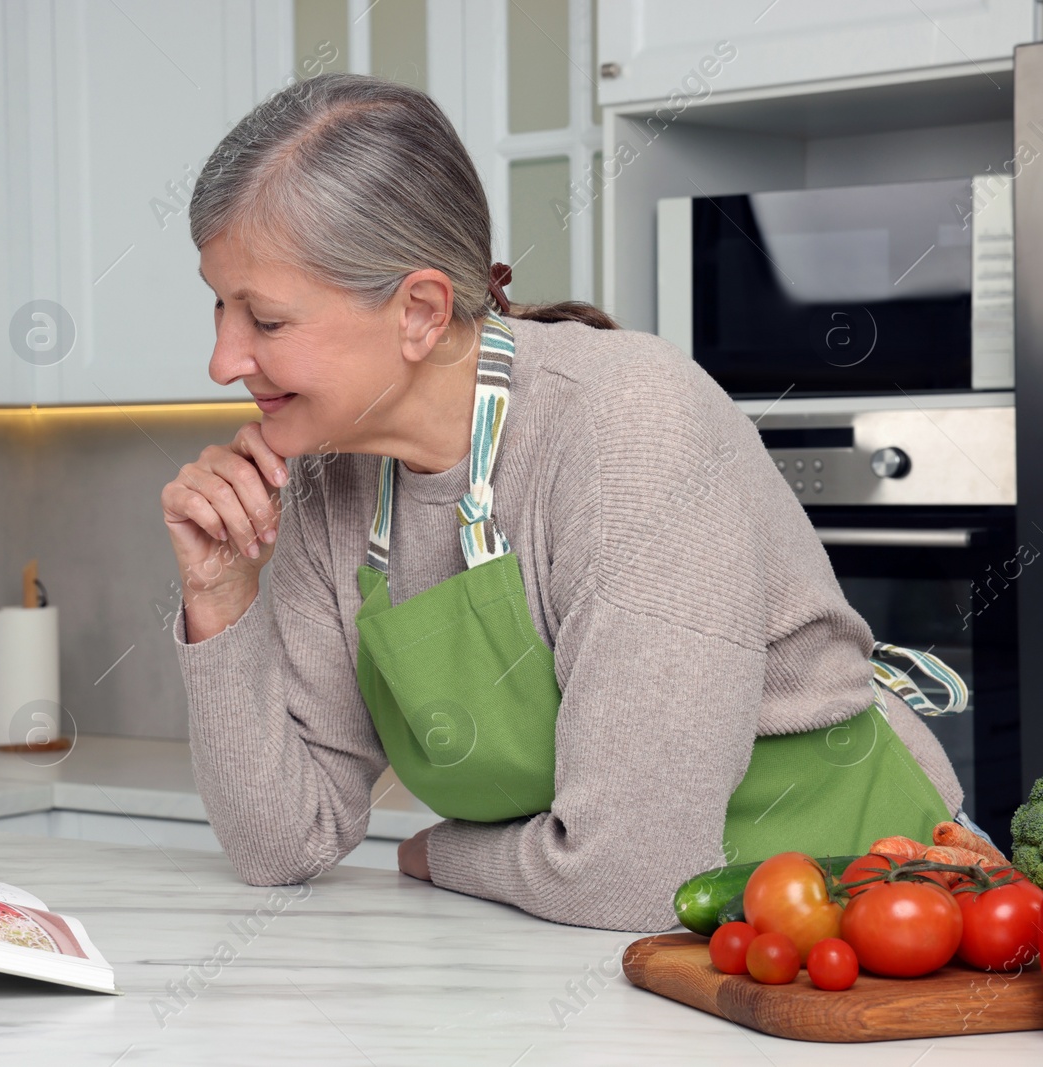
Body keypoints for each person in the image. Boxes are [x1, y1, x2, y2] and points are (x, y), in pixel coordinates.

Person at [160, 73, 972, 932]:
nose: (222, 360)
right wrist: (220, 599)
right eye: (219, 304)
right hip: (612, 951)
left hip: (867, 920)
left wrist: (442, 852)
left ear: (420, 311)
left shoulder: (630, 424)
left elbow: (633, 876)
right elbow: (282, 843)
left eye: (266, 320)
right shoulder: (333, 475)